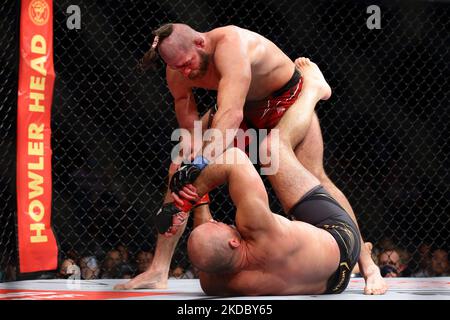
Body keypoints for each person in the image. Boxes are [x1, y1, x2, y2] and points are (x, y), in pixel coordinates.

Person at [116, 23, 386, 294]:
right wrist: (191, 159)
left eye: (187, 64)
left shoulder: (231, 44)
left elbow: (231, 116)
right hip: (241, 107)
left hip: (284, 101)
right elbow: (188, 118)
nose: (185, 72)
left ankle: (367, 263)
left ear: (200, 43)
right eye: (178, 68)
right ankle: (159, 269)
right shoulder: (177, 69)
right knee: (179, 166)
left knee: (314, 176)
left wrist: (200, 164)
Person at [162, 59, 363, 294]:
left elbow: (209, 248)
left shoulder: (213, 284)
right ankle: (314, 90)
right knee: (272, 149)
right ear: (234, 242)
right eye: (219, 225)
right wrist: (191, 192)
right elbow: (235, 160)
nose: (218, 221)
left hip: (335, 283)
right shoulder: (258, 230)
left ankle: (366, 263)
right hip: (341, 237)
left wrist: (200, 201)